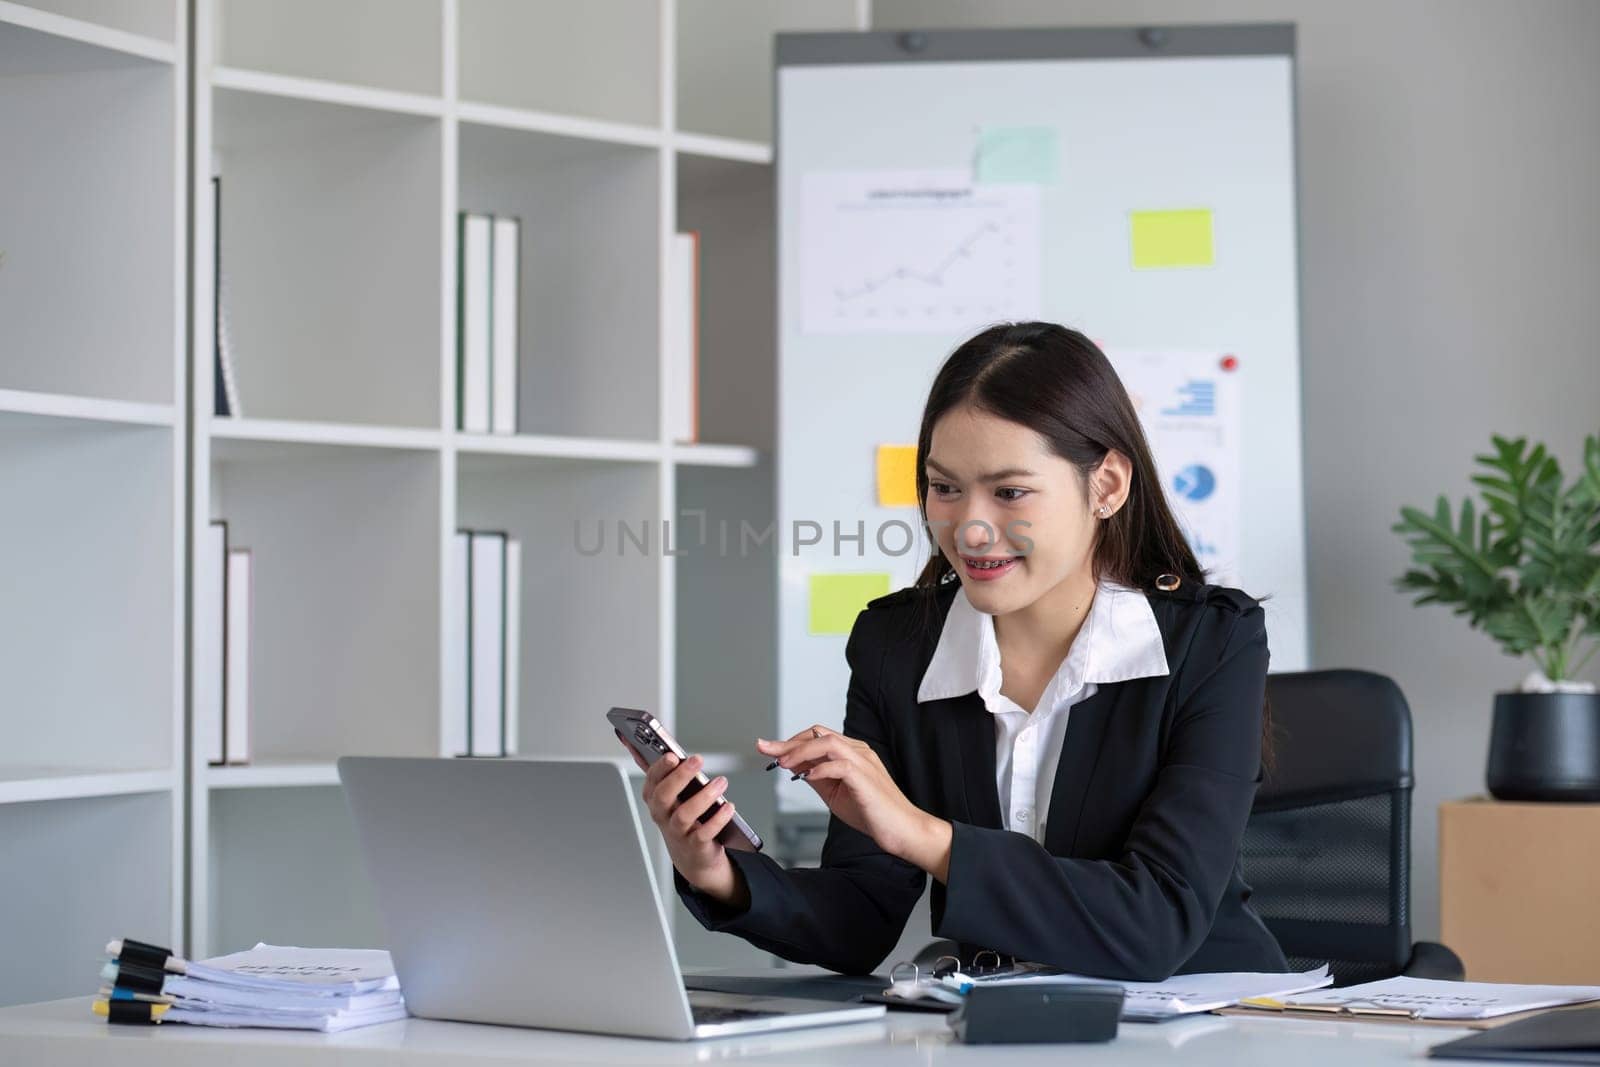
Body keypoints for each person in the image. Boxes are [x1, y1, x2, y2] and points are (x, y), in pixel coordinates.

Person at [618, 321, 1288, 981]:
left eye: (1009, 491)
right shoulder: (896, 646)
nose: (969, 527)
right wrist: (719, 872)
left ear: (1107, 485)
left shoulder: (1213, 642)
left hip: (1207, 1024)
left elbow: (1157, 921)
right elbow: (861, 918)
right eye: (945, 487)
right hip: (992, 1027)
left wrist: (920, 832)